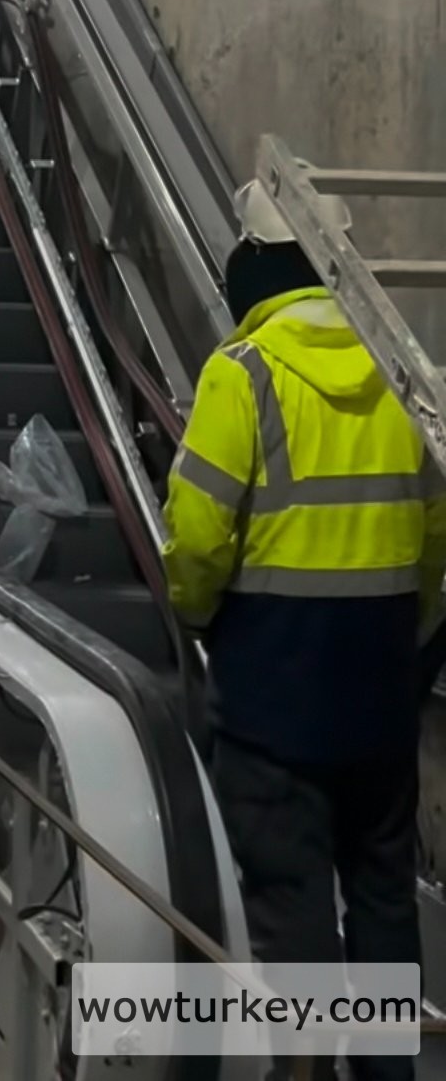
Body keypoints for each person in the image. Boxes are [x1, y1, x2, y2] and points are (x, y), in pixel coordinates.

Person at [163, 170, 446, 1080]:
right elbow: (435, 542)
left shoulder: (243, 374)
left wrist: (195, 613)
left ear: (257, 261)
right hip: (380, 702)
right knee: (384, 902)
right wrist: (402, 648)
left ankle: (305, 1070)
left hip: (272, 703)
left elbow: (198, 538)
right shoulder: (406, 377)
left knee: (293, 911)